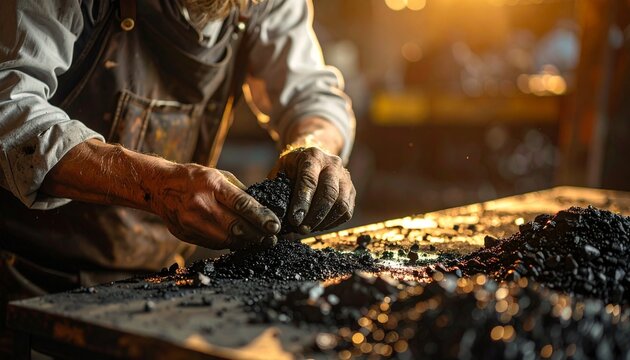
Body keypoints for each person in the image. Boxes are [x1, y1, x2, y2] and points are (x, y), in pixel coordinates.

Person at [0, 0, 356, 298]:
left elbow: (310, 97)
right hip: (24, 275)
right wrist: (160, 185)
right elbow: (10, 108)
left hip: (157, 281)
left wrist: (313, 146)